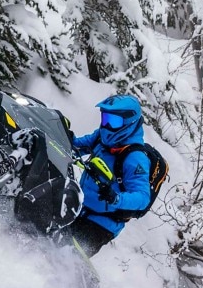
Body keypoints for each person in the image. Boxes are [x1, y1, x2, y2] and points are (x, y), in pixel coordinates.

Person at [63, 94, 153, 256]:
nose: (107, 125)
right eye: (105, 118)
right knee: (48, 233)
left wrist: (116, 198)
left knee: (67, 255)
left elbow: (142, 197)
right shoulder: (101, 137)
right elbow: (77, 146)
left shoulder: (135, 158)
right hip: (80, 207)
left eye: (114, 121)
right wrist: (65, 136)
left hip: (102, 223)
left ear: (129, 122)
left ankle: (79, 279)